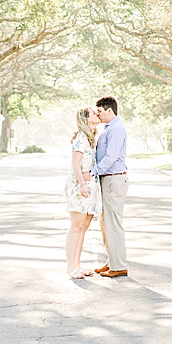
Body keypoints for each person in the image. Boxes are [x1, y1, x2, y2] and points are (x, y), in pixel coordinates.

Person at [91, 96, 129, 278]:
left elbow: (111, 157)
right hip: (108, 179)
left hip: (114, 179)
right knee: (105, 221)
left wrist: (93, 171)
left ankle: (119, 265)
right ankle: (112, 259)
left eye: (99, 111)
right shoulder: (109, 128)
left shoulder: (116, 129)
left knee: (113, 223)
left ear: (109, 110)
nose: (98, 115)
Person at [64, 107, 102, 278]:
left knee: (84, 228)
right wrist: (82, 184)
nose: (98, 114)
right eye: (94, 113)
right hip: (80, 187)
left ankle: (77, 265)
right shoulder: (81, 138)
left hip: (90, 187)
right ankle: (71, 267)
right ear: (86, 118)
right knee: (76, 227)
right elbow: (75, 163)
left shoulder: (91, 138)